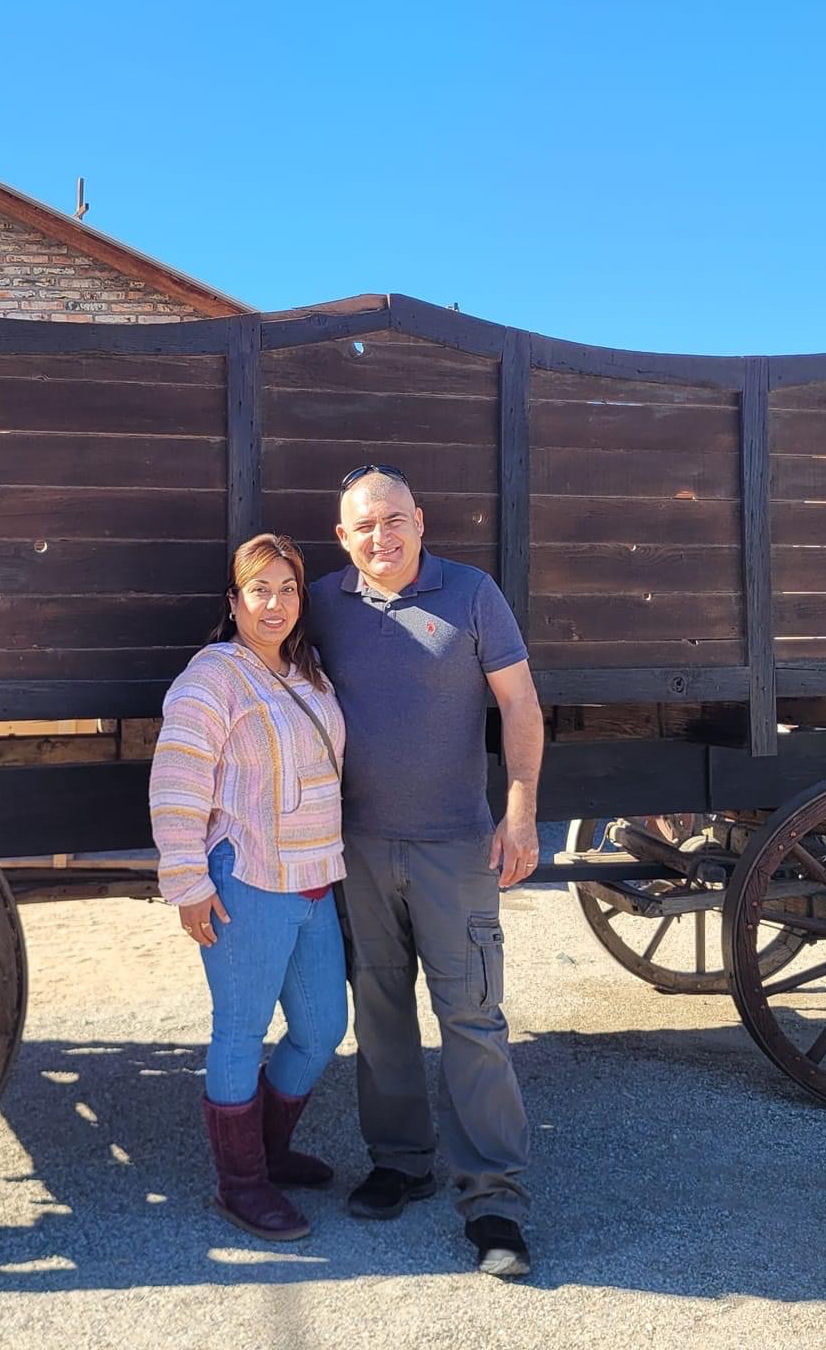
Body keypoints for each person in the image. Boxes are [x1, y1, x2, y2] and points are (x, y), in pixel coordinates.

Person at [307, 464, 544, 1279]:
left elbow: (519, 703)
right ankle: (401, 1163)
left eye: (395, 519)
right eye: (365, 526)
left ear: (421, 518)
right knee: (379, 1012)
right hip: (361, 849)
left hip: (456, 846)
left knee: (473, 1018)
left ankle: (496, 1201)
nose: (383, 536)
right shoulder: (325, 605)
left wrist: (519, 809)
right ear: (344, 538)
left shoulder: (472, 593)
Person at [148, 532, 350, 1242]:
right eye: (259, 590)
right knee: (239, 1030)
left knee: (325, 1025)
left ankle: (266, 1150)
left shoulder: (308, 671)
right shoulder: (213, 677)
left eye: (287, 588)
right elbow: (176, 783)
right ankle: (241, 1184)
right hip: (249, 878)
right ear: (233, 602)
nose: (275, 603)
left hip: (315, 876)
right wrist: (188, 882)